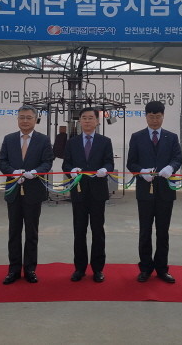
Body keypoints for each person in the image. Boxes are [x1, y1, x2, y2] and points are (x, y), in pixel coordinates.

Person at [0, 105, 54, 284]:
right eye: (22, 117)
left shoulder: (43, 140)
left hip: (33, 192)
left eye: (29, 117)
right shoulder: (9, 139)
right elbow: (1, 161)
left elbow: (47, 162)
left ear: (35, 119)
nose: (25, 121)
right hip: (13, 191)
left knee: (31, 232)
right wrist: (12, 172)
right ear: (17, 119)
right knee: (14, 232)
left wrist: (35, 172)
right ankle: (13, 270)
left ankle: (30, 269)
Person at [127, 100, 182, 283]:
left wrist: (171, 167)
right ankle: (145, 268)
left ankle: (162, 269)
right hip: (145, 191)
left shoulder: (171, 137)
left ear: (163, 116)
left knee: (163, 231)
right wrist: (141, 171)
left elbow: (177, 158)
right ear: (146, 117)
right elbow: (131, 163)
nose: (155, 120)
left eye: (158, 116)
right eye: (151, 116)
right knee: (145, 231)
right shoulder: (137, 137)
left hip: (166, 191)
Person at [62, 107, 114, 283]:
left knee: (98, 231)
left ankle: (98, 269)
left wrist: (105, 169)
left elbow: (110, 162)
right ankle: (79, 268)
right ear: (80, 121)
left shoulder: (105, 141)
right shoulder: (72, 142)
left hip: (98, 192)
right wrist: (71, 171)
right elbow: (66, 164)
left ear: (97, 121)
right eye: (84, 118)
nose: (87, 121)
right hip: (79, 192)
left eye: (91, 118)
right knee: (79, 231)